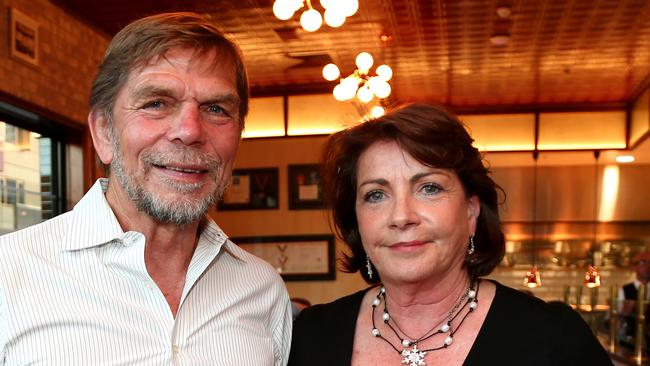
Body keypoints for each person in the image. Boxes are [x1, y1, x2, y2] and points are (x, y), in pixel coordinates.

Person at [0, 13, 291, 365]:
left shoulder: (262, 291)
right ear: (105, 132)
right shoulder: (9, 273)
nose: (189, 130)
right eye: (156, 103)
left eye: (216, 109)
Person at [288, 103, 611, 366]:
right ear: (356, 220)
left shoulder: (553, 339)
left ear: (471, 211)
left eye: (429, 188)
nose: (401, 216)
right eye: (376, 194)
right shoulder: (312, 336)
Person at [617, 251, 650, 348]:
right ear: (634, 267)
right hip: (630, 342)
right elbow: (617, 321)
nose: (648, 266)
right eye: (643, 262)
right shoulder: (624, 290)